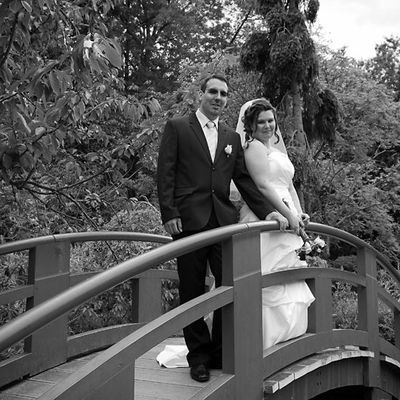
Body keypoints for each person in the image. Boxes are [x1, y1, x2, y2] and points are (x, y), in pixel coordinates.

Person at [156, 75, 301, 382]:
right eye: (213, 92)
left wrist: (271, 212)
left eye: (223, 94)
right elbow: (165, 171)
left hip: (223, 223)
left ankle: (220, 351)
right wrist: (169, 213)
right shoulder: (179, 127)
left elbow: (245, 183)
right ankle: (198, 356)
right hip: (188, 222)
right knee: (192, 290)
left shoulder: (230, 138)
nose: (218, 97)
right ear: (201, 94)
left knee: (227, 286)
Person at [238, 98, 315, 349]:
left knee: (287, 275)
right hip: (268, 216)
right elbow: (263, 186)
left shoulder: (277, 150)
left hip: (288, 216)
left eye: (271, 120)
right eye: (261, 122)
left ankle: (288, 336)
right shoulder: (253, 148)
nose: (268, 125)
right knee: (267, 274)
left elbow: (289, 185)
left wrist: (299, 213)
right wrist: (287, 214)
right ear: (251, 125)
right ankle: (258, 340)